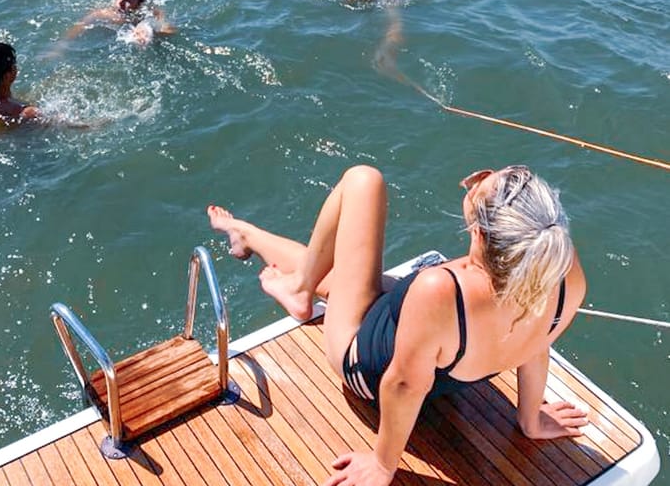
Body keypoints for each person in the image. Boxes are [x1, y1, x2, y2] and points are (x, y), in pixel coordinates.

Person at [208, 164, 588, 486]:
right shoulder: (558, 267)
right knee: (349, 277)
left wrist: (382, 464)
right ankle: (250, 237)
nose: (479, 178)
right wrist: (530, 418)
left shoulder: (440, 290)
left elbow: (404, 385)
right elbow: (538, 339)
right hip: (442, 356)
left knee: (363, 180)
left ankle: (297, 289)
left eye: (480, 187)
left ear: (480, 233)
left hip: (365, 364)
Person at [64, 0, 176, 43]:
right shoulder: (105, 13)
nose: (121, 2)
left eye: (128, 0)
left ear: (140, 3)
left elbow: (171, 31)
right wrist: (61, 47)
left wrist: (151, 34)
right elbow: (79, 26)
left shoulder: (151, 12)